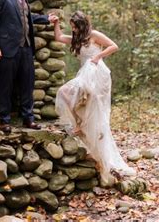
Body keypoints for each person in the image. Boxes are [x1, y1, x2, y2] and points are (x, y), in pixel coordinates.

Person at [51, 11, 135, 186]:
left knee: (95, 110)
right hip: (85, 74)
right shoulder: (76, 38)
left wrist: (97, 56)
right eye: (72, 26)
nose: (73, 29)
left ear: (81, 24)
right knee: (64, 93)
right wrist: (56, 22)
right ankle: (79, 125)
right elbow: (58, 37)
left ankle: (97, 147)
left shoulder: (94, 35)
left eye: (74, 26)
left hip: (98, 73)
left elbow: (114, 46)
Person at [0, 0, 56, 134]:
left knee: (27, 84)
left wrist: (46, 19)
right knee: (6, 85)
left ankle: (28, 119)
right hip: (7, 49)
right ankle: (4, 121)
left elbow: (26, 19)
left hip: (26, 48)